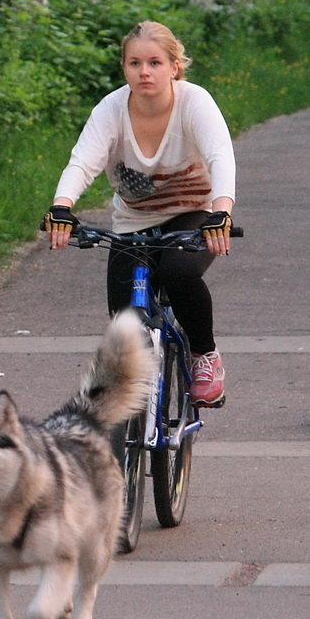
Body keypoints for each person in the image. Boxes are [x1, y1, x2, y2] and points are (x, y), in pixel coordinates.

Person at [46, 20, 235, 407]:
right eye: (134, 63)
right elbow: (83, 162)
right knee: (124, 323)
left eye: (154, 63)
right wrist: (62, 207)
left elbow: (220, 157)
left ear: (174, 67)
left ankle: (205, 356)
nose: (144, 72)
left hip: (193, 215)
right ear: (124, 68)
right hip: (133, 224)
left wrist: (221, 212)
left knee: (179, 273)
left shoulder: (194, 102)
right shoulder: (111, 109)